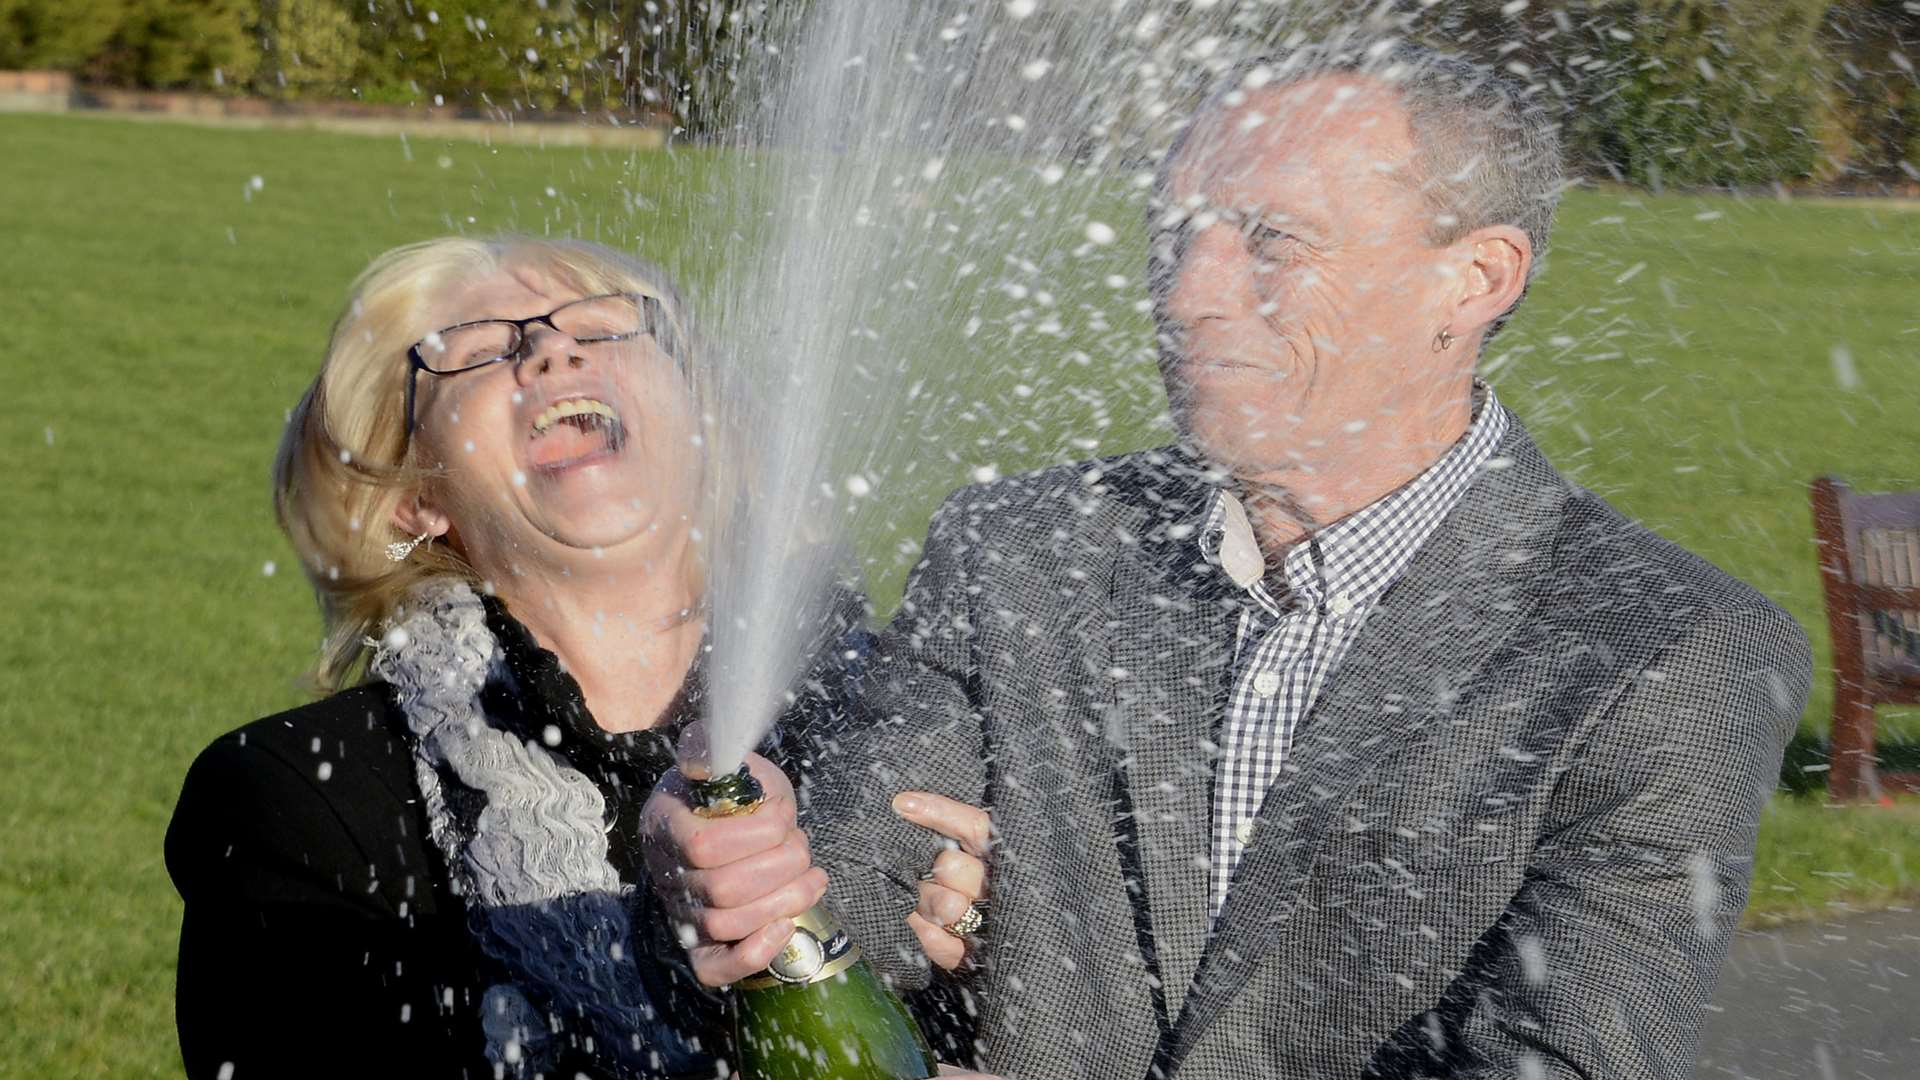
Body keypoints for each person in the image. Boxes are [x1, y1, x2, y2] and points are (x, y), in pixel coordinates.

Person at [642, 41, 1814, 1080]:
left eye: (1271, 240)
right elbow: (851, 908)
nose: (1186, 293)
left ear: (1474, 279)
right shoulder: (1023, 551)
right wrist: (746, 873)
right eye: (1174, 235)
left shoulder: (1659, 649)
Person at [165, 237, 850, 1078]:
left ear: (700, 421)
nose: (554, 349)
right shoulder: (301, 799)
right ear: (413, 495)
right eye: (485, 348)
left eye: (603, 329)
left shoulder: (897, 716)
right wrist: (663, 955)